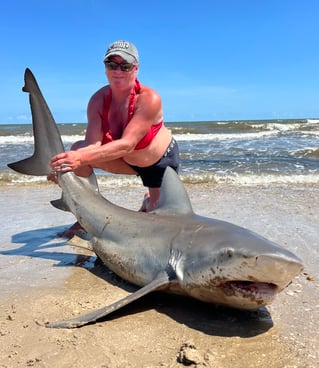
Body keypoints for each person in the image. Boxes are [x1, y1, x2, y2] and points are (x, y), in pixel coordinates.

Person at [49, 40, 180, 238]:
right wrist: (63, 166)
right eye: (112, 65)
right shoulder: (98, 100)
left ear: (135, 69)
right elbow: (93, 146)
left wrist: (79, 158)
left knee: (159, 226)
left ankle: (148, 201)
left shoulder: (149, 98)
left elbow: (127, 144)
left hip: (158, 163)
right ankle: (86, 217)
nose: (117, 71)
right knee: (78, 150)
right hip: (125, 160)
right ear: (105, 68)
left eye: (124, 66)